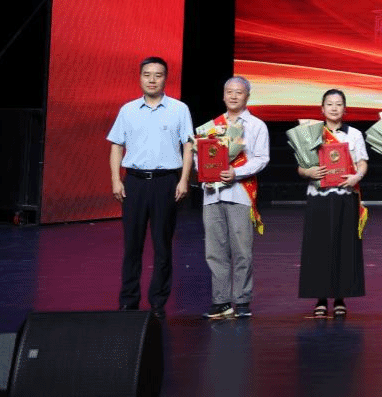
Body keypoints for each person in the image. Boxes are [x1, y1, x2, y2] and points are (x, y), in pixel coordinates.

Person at [107, 56, 194, 318]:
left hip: (166, 182)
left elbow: (188, 145)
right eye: (147, 75)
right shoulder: (128, 110)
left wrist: (183, 179)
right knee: (132, 245)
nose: (152, 80)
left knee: (162, 245)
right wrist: (116, 179)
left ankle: (157, 302)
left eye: (158, 75)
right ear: (140, 77)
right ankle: (128, 300)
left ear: (165, 78)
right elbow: (116, 145)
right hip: (134, 182)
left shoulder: (179, 109)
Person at [196, 76, 270, 319]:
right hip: (212, 195)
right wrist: (204, 171)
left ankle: (242, 300)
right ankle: (221, 301)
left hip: (240, 193)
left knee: (242, 250)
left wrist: (236, 172)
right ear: (223, 95)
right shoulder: (211, 127)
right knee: (214, 250)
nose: (233, 96)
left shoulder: (257, 125)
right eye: (229, 91)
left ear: (247, 96)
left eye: (239, 92)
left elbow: (262, 158)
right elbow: (199, 156)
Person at [297, 89, 368, 317]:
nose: (334, 108)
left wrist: (357, 176)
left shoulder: (354, 134)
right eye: (330, 104)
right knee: (318, 247)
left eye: (338, 104)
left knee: (344, 247)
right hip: (319, 195)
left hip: (345, 194)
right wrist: (308, 172)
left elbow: (362, 162)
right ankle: (320, 298)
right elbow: (301, 167)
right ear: (322, 108)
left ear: (345, 109)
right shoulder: (312, 134)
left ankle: (340, 298)